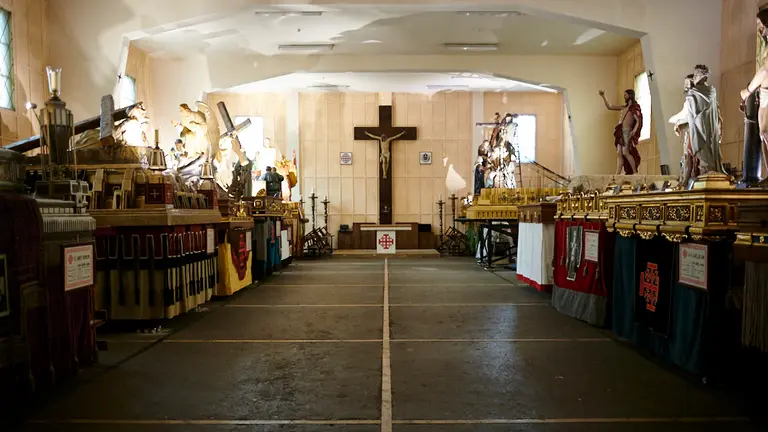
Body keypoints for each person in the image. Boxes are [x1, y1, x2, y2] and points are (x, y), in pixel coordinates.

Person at [740, 7, 768, 179]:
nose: (758, 28)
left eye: (760, 24)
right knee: (764, 134)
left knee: (766, 132)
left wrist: (747, 90)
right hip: (764, 93)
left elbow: (765, 70)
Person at [598, 89, 643, 175]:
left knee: (626, 152)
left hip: (627, 131)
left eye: (625, 95)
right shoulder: (623, 107)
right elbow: (610, 107)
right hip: (620, 132)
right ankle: (617, 173)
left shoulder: (634, 108)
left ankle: (634, 171)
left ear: (630, 95)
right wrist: (603, 96)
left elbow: (638, 120)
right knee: (619, 152)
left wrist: (634, 130)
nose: (624, 97)